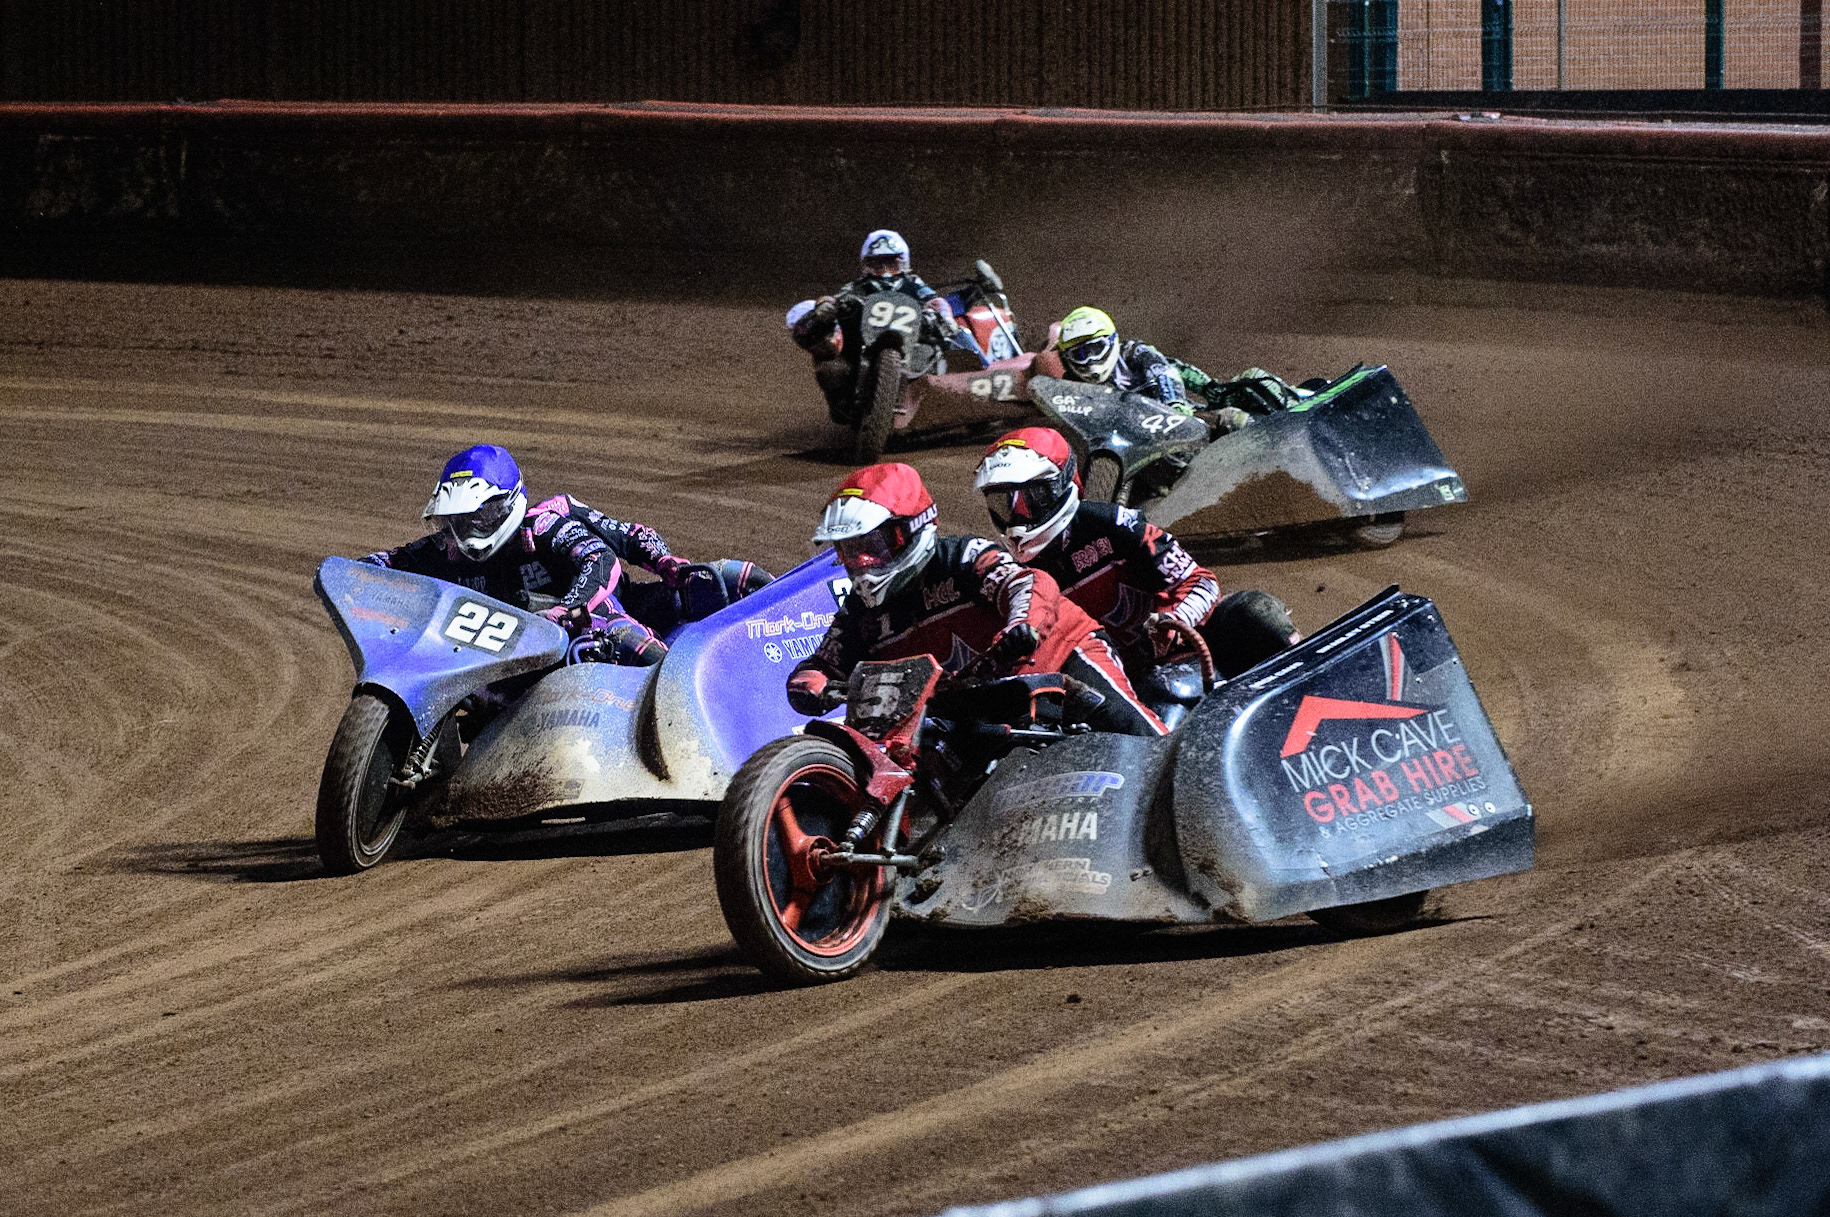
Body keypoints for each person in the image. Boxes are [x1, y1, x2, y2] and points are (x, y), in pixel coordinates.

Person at [785, 462, 1167, 737]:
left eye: (873, 546)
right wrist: (811, 687)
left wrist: (1023, 627)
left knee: (1136, 734)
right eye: (850, 551)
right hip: (963, 708)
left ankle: (1177, 778)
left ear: (911, 530)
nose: (862, 562)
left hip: (1058, 658)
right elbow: (822, 664)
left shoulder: (963, 558)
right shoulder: (859, 610)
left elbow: (1027, 583)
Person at [974, 428, 1300, 681]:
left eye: (1029, 499)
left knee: (1255, 613)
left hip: (1187, 652)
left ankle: (1310, 676)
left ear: (1060, 486)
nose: (1017, 518)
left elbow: (1202, 582)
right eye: (1003, 504)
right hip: (1115, 684)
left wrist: (1174, 620)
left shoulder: (1114, 526)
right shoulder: (1008, 574)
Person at [361, 443, 693, 666]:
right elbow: (384, 563)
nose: (463, 533)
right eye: (454, 522)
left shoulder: (543, 526)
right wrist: (346, 574)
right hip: (501, 653)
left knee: (618, 627)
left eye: (476, 519)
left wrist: (566, 610)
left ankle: (673, 693)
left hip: (580, 622)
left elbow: (601, 557)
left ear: (505, 507)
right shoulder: (448, 548)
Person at [787, 229, 987, 422]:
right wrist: (826, 305)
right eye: (877, 265)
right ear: (866, 266)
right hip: (867, 346)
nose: (884, 272)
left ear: (903, 263)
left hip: (916, 343)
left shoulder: (913, 284)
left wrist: (943, 313)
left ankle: (986, 377)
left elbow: (934, 300)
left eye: (891, 263)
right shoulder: (859, 286)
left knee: (960, 333)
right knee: (830, 366)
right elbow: (836, 299)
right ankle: (845, 403)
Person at [1054, 306, 1308, 433]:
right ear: (1067, 359)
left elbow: (1165, 373)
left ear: (1112, 341)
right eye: (1079, 354)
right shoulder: (1070, 388)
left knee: (1236, 415)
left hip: (1174, 420)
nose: (1089, 361)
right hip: (1131, 438)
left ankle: (1295, 421)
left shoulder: (1135, 353)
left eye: (1095, 348)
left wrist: (1177, 407)